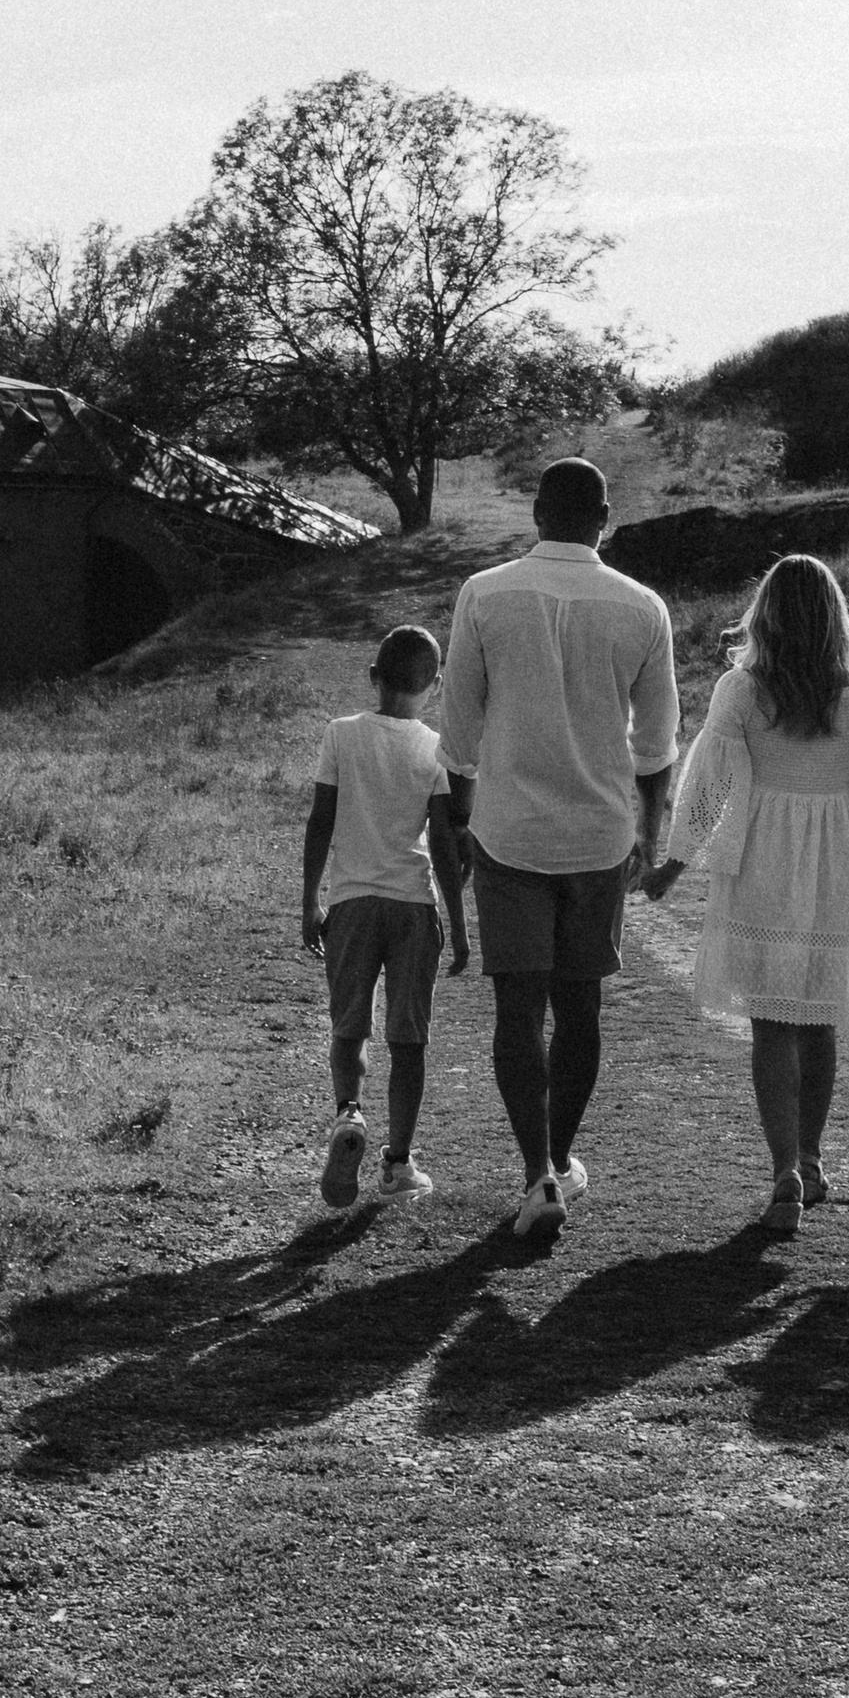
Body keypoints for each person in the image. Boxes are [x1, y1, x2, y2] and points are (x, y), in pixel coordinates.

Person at [647, 552, 849, 1235]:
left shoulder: (742, 689)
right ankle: (810, 1154)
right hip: (835, 855)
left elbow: (709, 783)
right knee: (818, 1016)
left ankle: (784, 1167)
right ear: (836, 615)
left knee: (771, 1022)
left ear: (766, 614)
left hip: (763, 857)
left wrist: (672, 866)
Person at [439, 458, 679, 1247]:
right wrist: (649, 832)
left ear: (536, 511)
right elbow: (657, 744)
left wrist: (462, 815)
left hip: (509, 828)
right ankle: (563, 1153)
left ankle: (537, 1169)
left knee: (518, 1007)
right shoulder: (642, 606)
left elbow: (459, 728)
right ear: (605, 517)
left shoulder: (485, 593)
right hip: (598, 834)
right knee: (581, 1008)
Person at [300, 624, 470, 1206]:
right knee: (409, 1039)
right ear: (435, 685)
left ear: (373, 676)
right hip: (413, 907)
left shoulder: (341, 734)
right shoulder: (436, 749)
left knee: (349, 1026)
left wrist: (310, 902)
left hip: (351, 903)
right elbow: (444, 846)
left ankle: (349, 1113)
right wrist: (460, 928)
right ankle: (398, 1163)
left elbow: (321, 820)